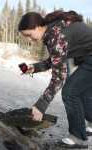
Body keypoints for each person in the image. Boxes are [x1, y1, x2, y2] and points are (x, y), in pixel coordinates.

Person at [18, 10, 92, 149]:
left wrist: (41, 105)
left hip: (89, 58)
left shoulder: (55, 35)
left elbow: (58, 77)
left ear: (37, 27)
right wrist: (33, 68)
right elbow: (55, 59)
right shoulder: (52, 30)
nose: (29, 39)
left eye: (29, 35)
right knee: (82, 92)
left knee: (70, 92)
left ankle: (77, 138)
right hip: (86, 58)